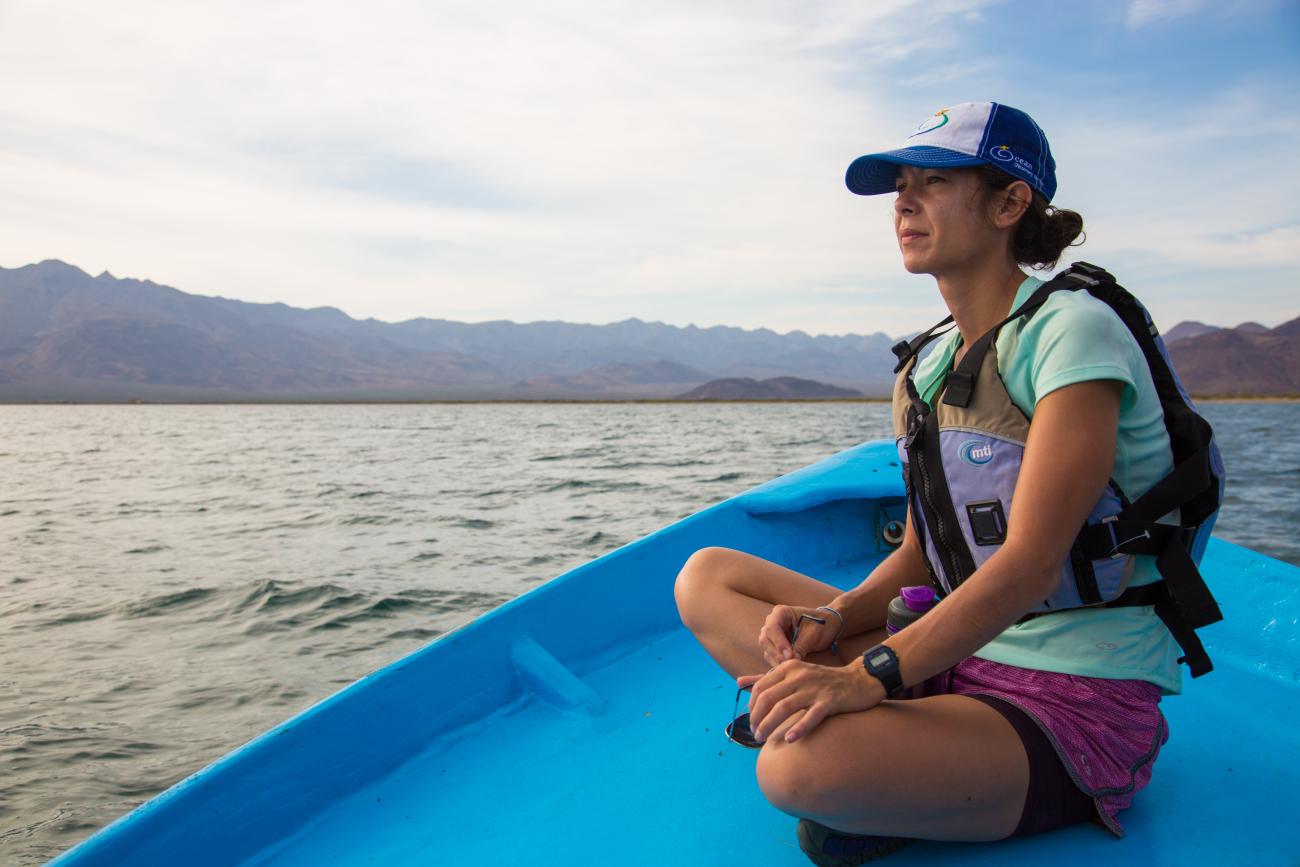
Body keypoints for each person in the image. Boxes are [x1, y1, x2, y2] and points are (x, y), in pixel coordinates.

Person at [674, 102, 1192, 864]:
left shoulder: (1069, 333)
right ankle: (905, 752)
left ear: (1011, 203)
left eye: (935, 182)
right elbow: (926, 549)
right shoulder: (927, 365)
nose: (904, 203)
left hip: (1071, 690)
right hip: (957, 652)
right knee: (707, 576)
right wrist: (837, 614)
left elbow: (1031, 566)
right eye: (901, 186)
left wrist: (869, 675)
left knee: (794, 767)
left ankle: (906, 761)